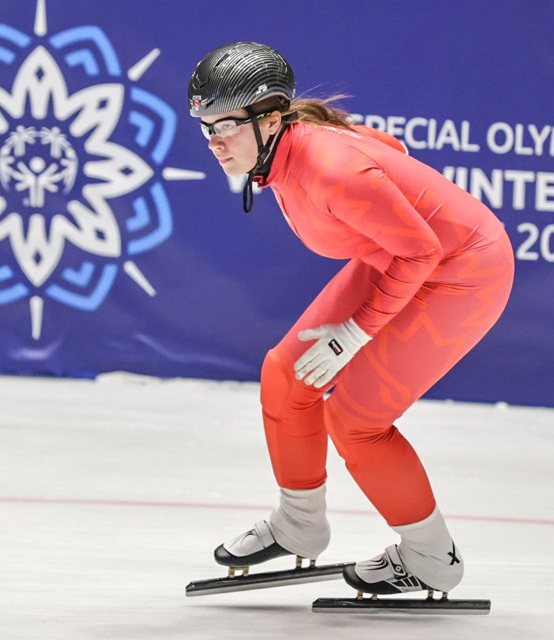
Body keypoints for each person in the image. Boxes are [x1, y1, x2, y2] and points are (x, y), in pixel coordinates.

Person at [187, 42, 515, 596]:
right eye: (204, 126)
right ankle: (298, 524)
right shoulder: (287, 151)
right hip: (399, 257)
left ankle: (433, 557)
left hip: (462, 273)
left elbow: (421, 251)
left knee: (357, 419)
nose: (215, 141)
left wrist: (357, 332)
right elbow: (393, 149)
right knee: (286, 374)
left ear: (270, 119)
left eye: (225, 125)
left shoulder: (330, 170)